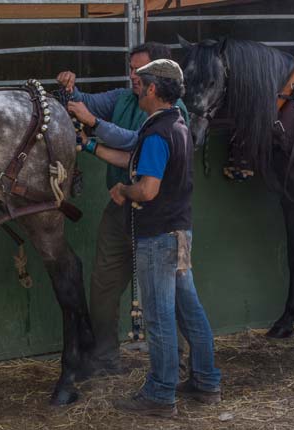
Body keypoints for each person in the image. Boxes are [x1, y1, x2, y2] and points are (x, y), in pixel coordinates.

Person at [84, 59, 221, 417]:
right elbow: (131, 147)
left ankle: (161, 394)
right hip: (178, 233)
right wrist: (90, 144)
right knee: (190, 312)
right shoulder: (172, 124)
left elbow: (146, 189)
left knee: (159, 319)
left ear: (153, 90)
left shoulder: (159, 133)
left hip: (158, 236)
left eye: (141, 84)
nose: (136, 87)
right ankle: (207, 382)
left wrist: (123, 191)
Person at [55, 42, 189, 375]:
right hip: (122, 206)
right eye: (131, 68)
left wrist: (93, 128)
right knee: (103, 283)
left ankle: (181, 365)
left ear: (157, 76)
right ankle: (105, 358)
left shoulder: (174, 111)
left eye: (139, 70)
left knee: (171, 293)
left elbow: (136, 142)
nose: (133, 75)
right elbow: (82, 103)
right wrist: (70, 89)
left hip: (157, 213)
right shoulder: (124, 98)